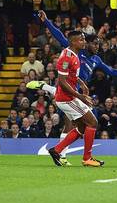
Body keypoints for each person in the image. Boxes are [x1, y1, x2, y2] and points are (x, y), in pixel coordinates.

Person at [28, 11, 117, 165]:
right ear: (85, 43)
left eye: (99, 43)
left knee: (81, 126)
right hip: (69, 93)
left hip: (74, 92)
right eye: (95, 43)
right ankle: (81, 157)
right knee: (85, 123)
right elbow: (59, 36)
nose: (98, 46)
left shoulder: (96, 60)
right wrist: (47, 22)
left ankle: (58, 151)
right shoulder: (76, 51)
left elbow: (111, 71)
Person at [45, 31, 104, 167]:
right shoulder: (66, 57)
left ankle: (56, 150)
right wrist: (80, 97)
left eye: (84, 39)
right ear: (73, 42)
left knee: (83, 127)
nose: (84, 42)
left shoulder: (74, 55)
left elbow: (71, 75)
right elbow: (62, 82)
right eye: (81, 40)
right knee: (92, 122)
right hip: (66, 98)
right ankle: (87, 158)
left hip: (70, 97)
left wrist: (81, 83)